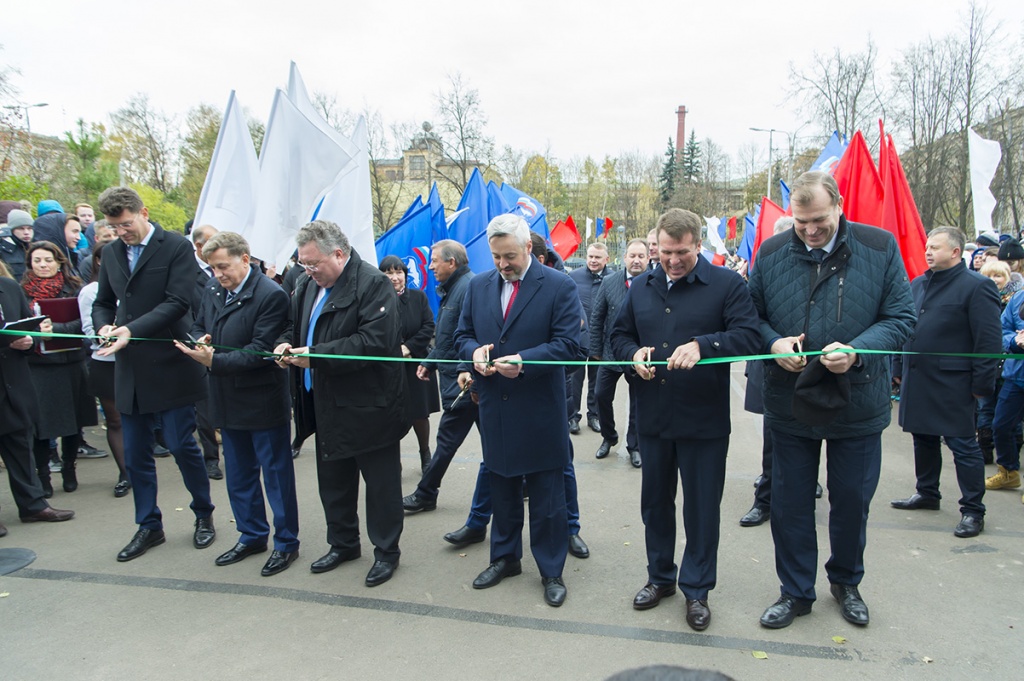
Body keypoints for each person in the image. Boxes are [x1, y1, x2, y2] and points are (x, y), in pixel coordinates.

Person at [748, 171, 915, 629]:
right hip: (789, 400)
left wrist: (858, 350)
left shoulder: (878, 248)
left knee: (851, 501)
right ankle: (795, 591)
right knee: (790, 502)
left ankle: (846, 582)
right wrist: (773, 343)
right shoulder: (771, 251)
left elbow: (902, 317)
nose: (810, 230)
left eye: (818, 219)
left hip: (857, 400)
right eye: (801, 222)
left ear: (839, 205)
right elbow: (749, 315)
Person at [610, 208, 760, 631]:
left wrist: (704, 344)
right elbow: (618, 336)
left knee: (700, 510)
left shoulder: (727, 285)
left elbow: (748, 335)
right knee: (655, 505)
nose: (673, 261)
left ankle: (697, 589)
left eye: (682, 253)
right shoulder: (641, 286)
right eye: (666, 253)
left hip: (703, 422)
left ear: (698, 245)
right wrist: (631, 355)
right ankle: (660, 578)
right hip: (653, 418)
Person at [454, 214, 580, 608]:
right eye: (496, 257)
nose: (503, 264)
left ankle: (551, 570)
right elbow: (461, 335)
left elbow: (571, 347)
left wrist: (524, 361)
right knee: (502, 490)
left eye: (510, 255)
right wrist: (472, 352)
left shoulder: (559, 285)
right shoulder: (478, 286)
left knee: (547, 498)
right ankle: (504, 558)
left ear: (529, 248)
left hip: (540, 408)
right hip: (496, 408)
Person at [274, 220, 407, 587]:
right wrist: (286, 344)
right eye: (303, 263)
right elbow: (294, 327)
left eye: (313, 263)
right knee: (333, 480)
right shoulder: (305, 285)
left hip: (369, 403)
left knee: (380, 486)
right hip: (324, 400)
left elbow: (373, 343)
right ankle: (343, 543)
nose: (308, 270)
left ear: (338, 253)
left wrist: (315, 356)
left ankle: (386, 552)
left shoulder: (373, 283)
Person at [92, 186, 216, 562]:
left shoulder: (175, 246)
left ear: (143, 212)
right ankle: (148, 524)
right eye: (114, 228)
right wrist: (104, 326)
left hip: (170, 361)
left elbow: (179, 302)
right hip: (129, 369)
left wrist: (131, 330)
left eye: (126, 225)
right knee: (136, 454)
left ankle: (203, 514)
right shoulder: (112, 253)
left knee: (181, 445)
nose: (121, 233)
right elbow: (103, 302)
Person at [176, 232, 300, 577]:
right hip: (226, 399)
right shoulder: (214, 290)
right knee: (240, 475)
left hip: (261, 399)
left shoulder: (270, 295)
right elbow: (199, 322)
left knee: (276, 477)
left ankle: (286, 543)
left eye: (223, 267)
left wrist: (212, 360)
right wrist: (200, 338)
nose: (218, 274)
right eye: (213, 268)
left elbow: (260, 351)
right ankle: (251, 535)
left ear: (245, 259)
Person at [890, 227, 1001, 538]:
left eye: (935, 247)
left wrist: (982, 384)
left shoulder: (977, 287)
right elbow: (905, 327)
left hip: (955, 383)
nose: (928, 252)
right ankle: (927, 492)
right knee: (922, 438)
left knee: (963, 445)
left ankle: (972, 510)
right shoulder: (918, 283)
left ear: (955, 252)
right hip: (918, 377)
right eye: (927, 246)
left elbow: (988, 341)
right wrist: (898, 366)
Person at [402, 241, 491, 545]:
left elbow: (470, 336)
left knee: (450, 440)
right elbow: (448, 334)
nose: (430, 266)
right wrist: (430, 360)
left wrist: (470, 376)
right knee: (489, 443)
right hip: (461, 380)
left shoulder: (468, 287)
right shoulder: (455, 288)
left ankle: (426, 493)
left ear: (452, 263)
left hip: (465, 383)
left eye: (435, 261)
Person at [0, 267, 75, 534]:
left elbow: (25, 329)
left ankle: (32, 505)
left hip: (14, 384)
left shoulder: (8, 288)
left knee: (21, 444)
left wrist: (29, 341)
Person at [21, 241, 97, 496]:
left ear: (59, 262)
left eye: (48, 260)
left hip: (70, 363)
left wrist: (57, 330)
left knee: (74, 421)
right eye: (37, 261)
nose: (43, 265)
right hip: (38, 366)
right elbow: (13, 324)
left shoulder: (75, 288)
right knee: (42, 425)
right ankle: (43, 475)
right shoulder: (22, 292)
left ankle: (69, 468)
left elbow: (85, 323)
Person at [77, 242, 130, 497]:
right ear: (99, 261)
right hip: (107, 362)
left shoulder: (132, 284)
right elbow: (89, 329)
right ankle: (125, 472)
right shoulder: (91, 291)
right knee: (116, 420)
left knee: (139, 417)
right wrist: (106, 333)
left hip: (136, 361)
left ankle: (140, 466)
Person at [590, 238, 648, 467]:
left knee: (638, 403)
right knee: (600, 395)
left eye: (641, 256)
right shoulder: (609, 282)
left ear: (648, 258)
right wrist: (595, 351)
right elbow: (597, 318)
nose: (636, 260)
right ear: (624, 258)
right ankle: (609, 437)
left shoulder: (653, 283)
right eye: (632, 255)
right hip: (610, 353)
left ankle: (634, 446)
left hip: (640, 355)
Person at [379, 255, 439, 471]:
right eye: (389, 273)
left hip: (415, 365)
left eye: (399, 272)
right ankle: (395, 459)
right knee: (391, 414)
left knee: (419, 412)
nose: (395, 278)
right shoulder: (376, 301)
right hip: (388, 366)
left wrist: (409, 347)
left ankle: (425, 452)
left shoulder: (418, 297)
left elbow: (428, 326)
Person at [190, 224, 223, 480]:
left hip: (226, 348)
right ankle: (211, 458)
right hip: (199, 349)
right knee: (204, 409)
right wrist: (198, 338)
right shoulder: (187, 273)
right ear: (199, 247)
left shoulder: (225, 269)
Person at [568, 243, 609, 434]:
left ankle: (594, 416)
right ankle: (572, 417)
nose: (593, 260)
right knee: (575, 379)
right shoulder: (574, 277)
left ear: (606, 259)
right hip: (578, 339)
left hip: (600, 340)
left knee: (597, 380)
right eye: (590, 256)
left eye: (597, 257)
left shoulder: (613, 279)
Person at [1, 208, 34, 280]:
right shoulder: (3, 249)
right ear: (12, 230)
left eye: (29, 228)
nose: (26, 232)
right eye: (21, 228)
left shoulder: (36, 247)